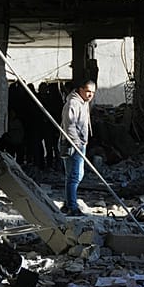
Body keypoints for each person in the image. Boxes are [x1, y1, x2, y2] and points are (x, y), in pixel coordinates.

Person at [59, 80, 96, 216]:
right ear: (80, 89)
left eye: (93, 92)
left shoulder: (84, 103)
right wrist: (77, 144)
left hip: (80, 144)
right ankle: (72, 207)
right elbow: (69, 126)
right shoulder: (73, 103)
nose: (90, 94)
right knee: (74, 176)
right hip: (72, 145)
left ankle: (68, 202)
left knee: (76, 175)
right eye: (88, 91)